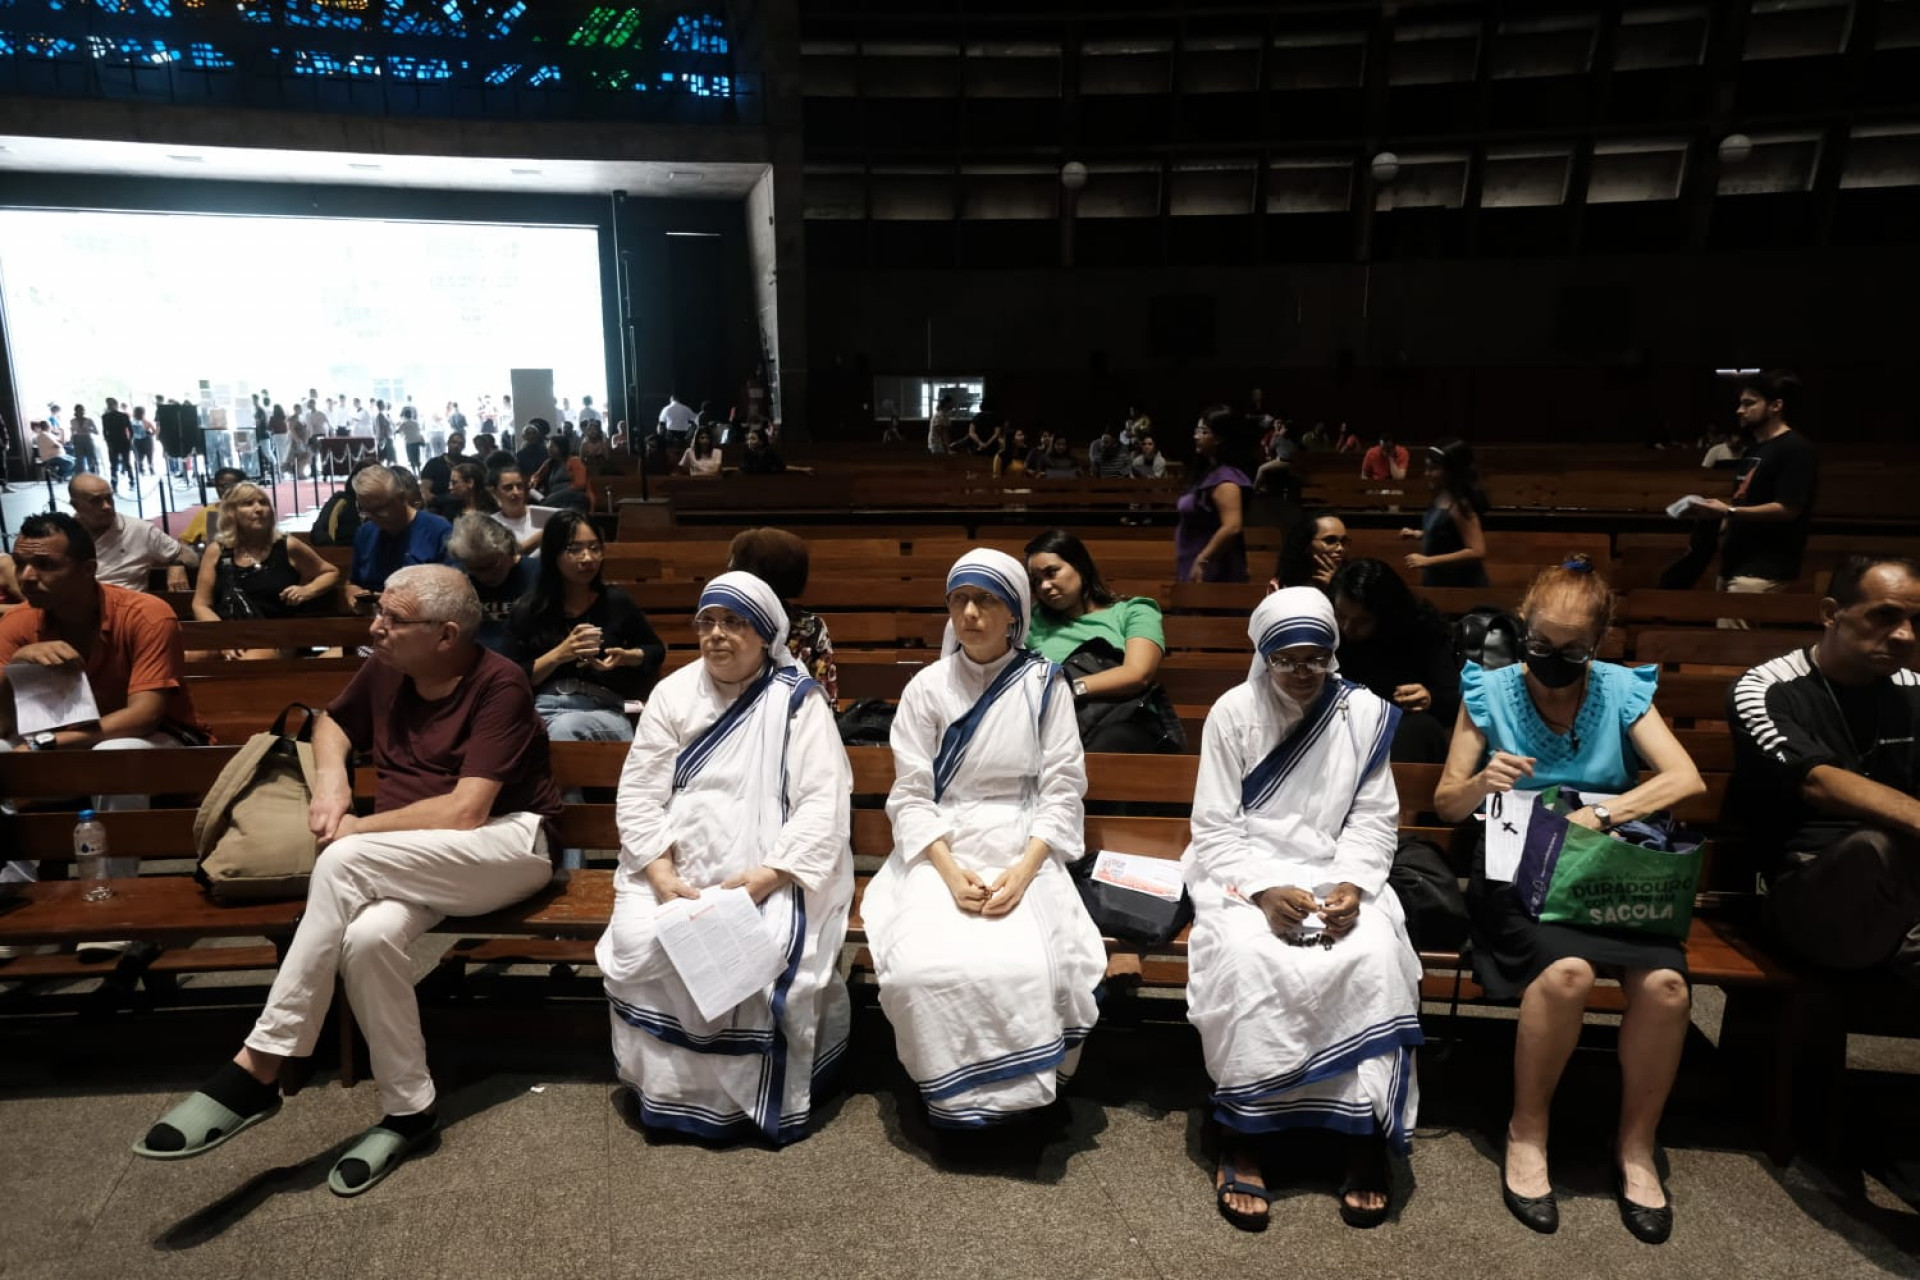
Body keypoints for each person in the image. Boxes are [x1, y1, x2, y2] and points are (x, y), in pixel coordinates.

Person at [134, 566, 562, 1195]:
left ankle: (263, 1063)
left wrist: (359, 829)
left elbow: (466, 811)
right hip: (411, 855)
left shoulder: (501, 684)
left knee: (342, 859)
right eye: (378, 611)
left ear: (446, 636)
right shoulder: (389, 666)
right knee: (366, 942)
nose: (375, 626)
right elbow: (332, 723)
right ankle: (409, 1111)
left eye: (392, 618)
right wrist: (334, 784)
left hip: (506, 845)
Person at [1433, 556, 1705, 1243]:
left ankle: (1636, 1148)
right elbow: (1444, 803)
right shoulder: (1487, 690)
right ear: (1522, 629)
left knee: (1668, 987)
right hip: (1516, 873)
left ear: (1600, 642)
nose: (1552, 661)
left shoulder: (1621, 690)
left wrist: (1604, 815)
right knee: (1568, 974)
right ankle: (1528, 1131)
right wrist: (1483, 783)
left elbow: (1684, 779)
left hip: (1603, 874)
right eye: (1540, 645)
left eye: (1571, 651)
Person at [1185, 587, 1420, 1232]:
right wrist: (1261, 889)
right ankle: (1245, 1134)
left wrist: (1353, 884)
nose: (1301, 672)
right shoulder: (1232, 712)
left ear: (1332, 655)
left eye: (1315, 658)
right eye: (1286, 659)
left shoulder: (1364, 715)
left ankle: (1361, 1136)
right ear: (1263, 657)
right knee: (1246, 956)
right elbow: (1214, 827)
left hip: (1336, 871)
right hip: (1242, 872)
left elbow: (1374, 819)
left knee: (1374, 953)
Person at [595, 571, 852, 1143]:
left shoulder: (798, 701)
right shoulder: (673, 693)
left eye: (733, 623)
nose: (716, 634)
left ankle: (751, 1100)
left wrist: (765, 877)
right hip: (673, 856)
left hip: (773, 861)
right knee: (642, 943)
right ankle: (672, 1094)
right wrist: (659, 870)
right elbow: (639, 790)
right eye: (706, 622)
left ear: (765, 635)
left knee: (768, 947)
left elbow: (823, 802)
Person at [862, 550, 1105, 1129]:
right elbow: (913, 792)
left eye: (987, 600)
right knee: (919, 966)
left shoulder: (1046, 684)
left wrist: (1024, 872)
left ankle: (1025, 1098)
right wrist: (947, 872)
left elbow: (1064, 785)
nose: (969, 613)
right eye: (959, 600)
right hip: (940, 845)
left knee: (1044, 964)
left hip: (1024, 841)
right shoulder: (926, 687)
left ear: (1015, 612)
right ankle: (952, 1099)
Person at [1728, 554, 1920, 986]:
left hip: (1903, 890)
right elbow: (1816, 781)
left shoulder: (1914, 694)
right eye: (1885, 616)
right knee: (1874, 849)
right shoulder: (1766, 688)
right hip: (1802, 891)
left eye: (1915, 620)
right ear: (1831, 614)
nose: (1905, 635)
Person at [0, 513, 212, 884]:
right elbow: (3, 722)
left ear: (88, 569)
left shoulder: (145, 614)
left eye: (45, 565)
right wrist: (14, 667)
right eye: (21, 563)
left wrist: (45, 744)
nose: (27, 576)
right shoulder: (17, 623)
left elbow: (144, 716)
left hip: (161, 743)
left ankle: (116, 898)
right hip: (64, 749)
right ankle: (15, 890)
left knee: (115, 753)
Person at [507, 511, 664, 868]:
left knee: (559, 738)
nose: (588, 558)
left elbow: (655, 651)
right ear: (553, 554)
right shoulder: (530, 610)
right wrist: (560, 654)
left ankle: (557, 871)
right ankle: (571, 874)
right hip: (544, 708)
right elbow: (513, 676)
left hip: (605, 713)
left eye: (595, 548)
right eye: (575, 549)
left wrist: (627, 657)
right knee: (559, 762)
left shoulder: (616, 602)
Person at [1024, 529, 1176, 752]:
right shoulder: (1031, 622)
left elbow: (1138, 674)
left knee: (1112, 742)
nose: (1044, 586)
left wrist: (1069, 689)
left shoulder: (1133, 611)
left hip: (1125, 718)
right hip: (1054, 722)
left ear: (1080, 567)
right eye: (1036, 581)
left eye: (1052, 572)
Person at [1685, 371, 1819, 602]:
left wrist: (1728, 511)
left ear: (1776, 406)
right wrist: (1712, 517)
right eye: (1740, 404)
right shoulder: (1754, 449)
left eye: (1749, 403)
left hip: (1764, 568)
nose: (1740, 410)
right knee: (1724, 634)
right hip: (1735, 562)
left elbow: (1789, 509)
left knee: (1737, 638)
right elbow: (1742, 500)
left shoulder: (1796, 449)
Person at [1328, 558, 1461, 763]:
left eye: (1362, 621)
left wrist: (1429, 697)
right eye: (1341, 616)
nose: (1347, 628)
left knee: (1421, 729)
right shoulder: (1329, 630)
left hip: (1400, 726)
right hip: (1342, 722)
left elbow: (1453, 696)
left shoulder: (1422, 629)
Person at [191, 483, 338, 652]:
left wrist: (308, 590)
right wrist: (224, 638)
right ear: (231, 512)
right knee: (187, 658)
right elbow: (201, 604)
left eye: (263, 502)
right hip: (227, 635)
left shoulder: (286, 545)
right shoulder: (217, 551)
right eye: (248, 503)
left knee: (249, 661)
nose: (258, 508)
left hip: (276, 637)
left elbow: (330, 572)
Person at [728, 527, 836, 699]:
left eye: (734, 564)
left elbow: (825, 696)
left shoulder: (810, 627)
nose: (728, 571)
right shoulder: (725, 623)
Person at [69, 474, 198, 593]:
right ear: (76, 505)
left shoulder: (139, 529)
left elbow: (187, 555)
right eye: (96, 501)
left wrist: (177, 564)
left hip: (127, 609)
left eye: (109, 498)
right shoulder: (64, 532)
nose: (107, 506)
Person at [346, 464, 453, 606]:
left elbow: (452, 591)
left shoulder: (439, 530)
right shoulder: (366, 532)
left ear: (402, 498)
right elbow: (353, 582)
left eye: (379, 510)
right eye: (365, 511)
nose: (373, 518)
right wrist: (353, 595)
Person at [1177, 406, 1255, 584]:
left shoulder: (1226, 479)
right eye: (1196, 430)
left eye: (1203, 431)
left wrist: (1203, 559)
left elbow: (1232, 526)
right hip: (1193, 561)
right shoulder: (1207, 474)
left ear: (1219, 438)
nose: (1196, 436)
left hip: (1214, 570)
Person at [1401, 438, 1489, 588]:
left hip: (1459, 587)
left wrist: (1428, 561)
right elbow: (1446, 533)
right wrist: (1418, 534)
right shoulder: (1442, 496)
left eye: (1433, 469)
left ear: (1450, 471)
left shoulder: (1460, 504)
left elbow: (1477, 551)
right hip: (1439, 581)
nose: (1427, 473)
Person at [448, 514, 538, 655]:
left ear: (508, 549)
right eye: (475, 569)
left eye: (492, 565)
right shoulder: (459, 581)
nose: (485, 576)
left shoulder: (539, 574)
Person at [1271, 511, 1349, 591]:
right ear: (1306, 544)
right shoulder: (1280, 585)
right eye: (1330, 540)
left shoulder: (1353, 581)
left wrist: (1335, 588)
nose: (1340, 548)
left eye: (1343, 541)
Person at [488, 465, 556, 555]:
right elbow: (505, 556)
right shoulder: (490, 524)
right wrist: (543, 534)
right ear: (494, 492)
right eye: (508, 488)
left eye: (519, 486)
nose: (516, 492)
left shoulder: (544, 515)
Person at [180, 467, 248, 547]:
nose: (222, 490)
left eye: (228, 486)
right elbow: (183, 541)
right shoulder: (207, 512)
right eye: (219, 485)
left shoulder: (252, 509)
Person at [419, 431, 468, 503]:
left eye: (460, 444)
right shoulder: (434, 463)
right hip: (440, 503)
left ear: (463, 447)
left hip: (464, 502)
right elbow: (425, 489)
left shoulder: (469, 462)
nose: (456, 446)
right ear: (448, 443)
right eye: (454, 442)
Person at [101, 397, 135, 488]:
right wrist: (130, 440)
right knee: (119, 463)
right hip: (118, 442)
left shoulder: (108, 417)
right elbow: (105, 431)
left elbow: (130, 430)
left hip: (118, 442)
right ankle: (121, 480)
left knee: (120, 463)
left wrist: (129, 440)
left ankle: (126, 480)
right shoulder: (108, 417)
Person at [68, 404, 100, 475]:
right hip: (78, 440)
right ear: (76, 411)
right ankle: (80, 476)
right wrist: (71, 440)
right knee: (79, 460)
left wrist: (89, 429)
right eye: (79, 410)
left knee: (91, 459)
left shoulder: (89, 420)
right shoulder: (73, 421)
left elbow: (97, 432)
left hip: (87, 439)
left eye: (82, 410)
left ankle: (93, 474)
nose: (81, 412)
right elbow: (73, 432)